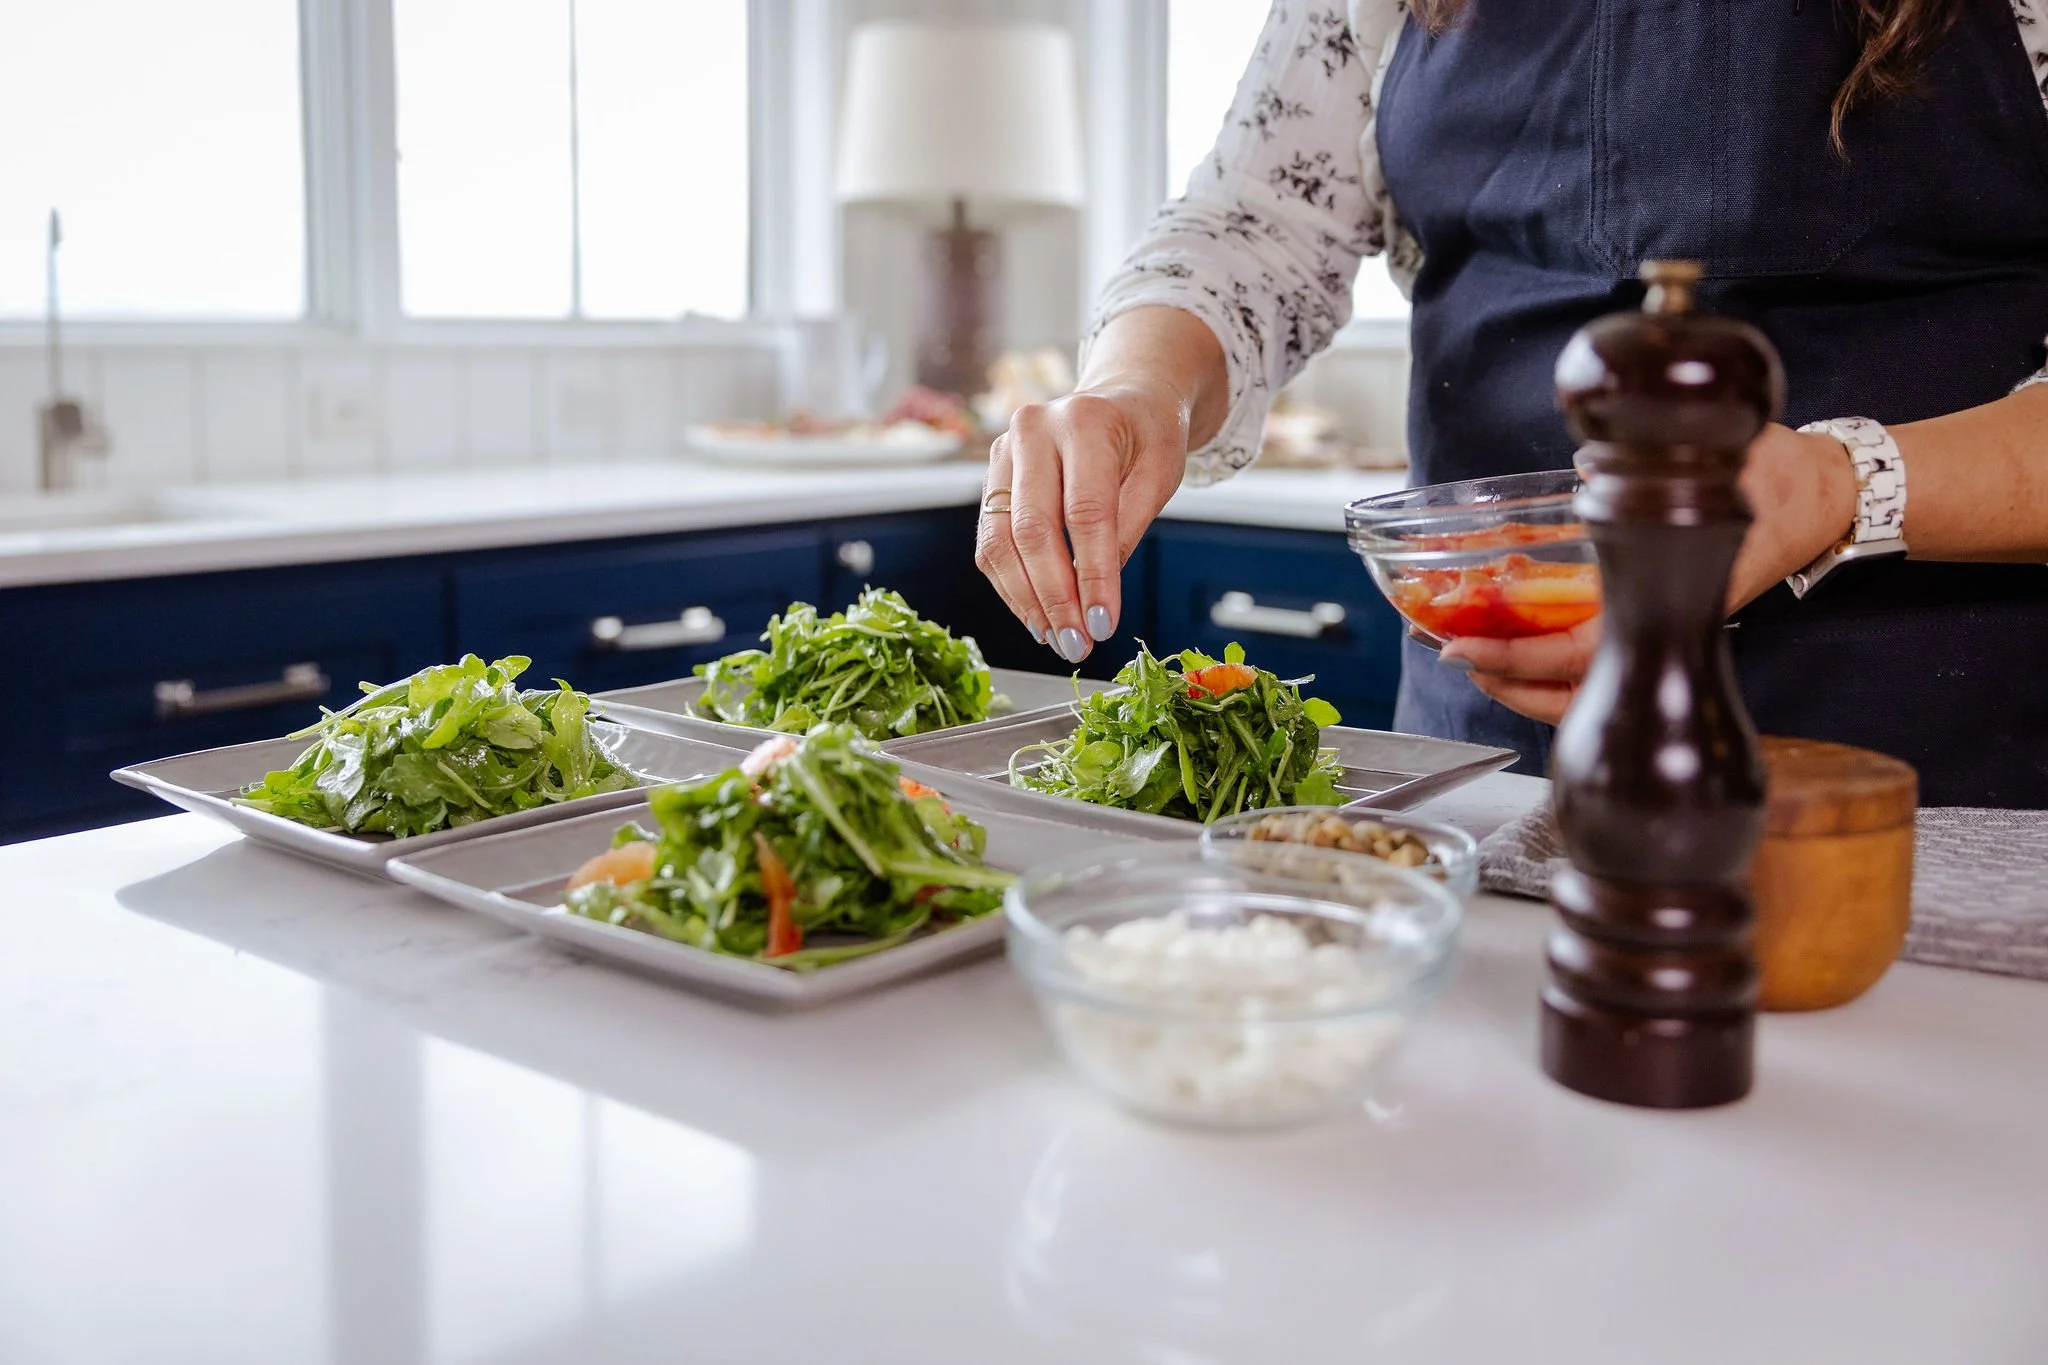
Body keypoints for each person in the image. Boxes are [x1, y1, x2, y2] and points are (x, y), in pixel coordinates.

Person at [973, 0, 2048, 808]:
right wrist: (1133, 388)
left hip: (1921, 760)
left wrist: (1832, 484)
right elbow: (1252, 228)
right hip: (1487, 756)